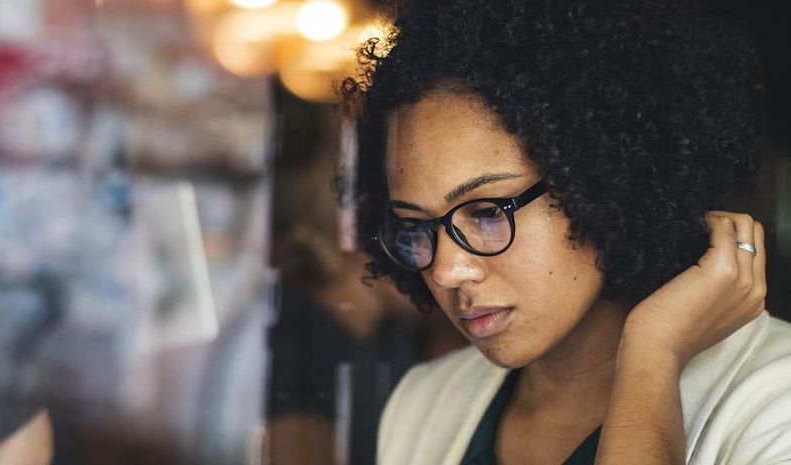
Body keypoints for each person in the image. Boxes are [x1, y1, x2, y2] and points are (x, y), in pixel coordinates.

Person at [339, 0, 791, 464]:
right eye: (415, 225)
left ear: (606, 179)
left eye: (488, 211)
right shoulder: (423, 405)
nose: (446, 270)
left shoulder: (776, 406)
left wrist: (651, 356)